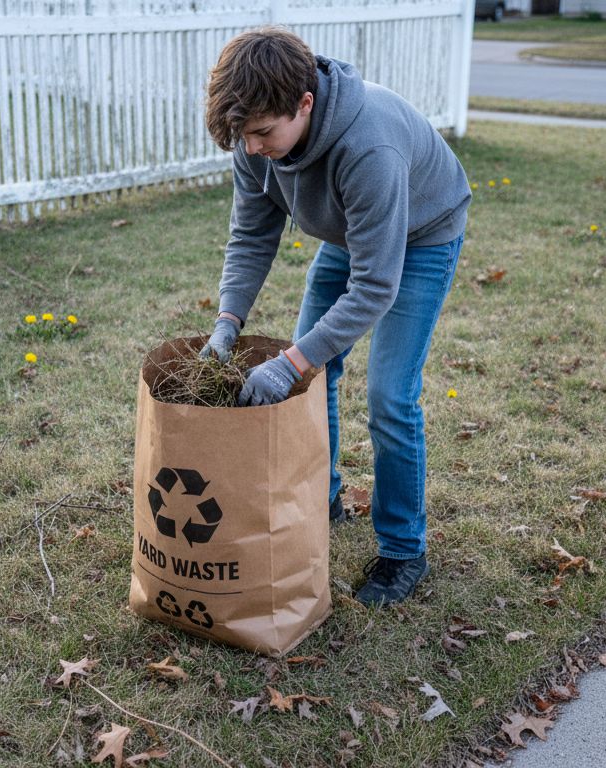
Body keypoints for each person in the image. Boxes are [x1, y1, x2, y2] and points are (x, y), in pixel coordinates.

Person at [198, 28, 472, 606]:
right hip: (351, 233)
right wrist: (227, 323)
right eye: (242, 137)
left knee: (389, 395)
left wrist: (289, 359)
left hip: (422, 235)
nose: (252, 148)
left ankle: (403, 551)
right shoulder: (254, 137)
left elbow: (376, 285)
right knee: (311, 373)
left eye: (263, 134)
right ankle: (320, 502)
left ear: (305, 103)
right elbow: (251, 235)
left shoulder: (369, 145)